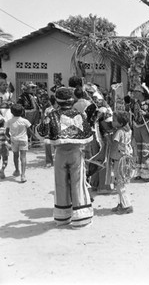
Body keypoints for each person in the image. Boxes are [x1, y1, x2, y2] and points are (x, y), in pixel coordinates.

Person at [36, 87, 94, 228]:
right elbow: (87, 133)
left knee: (61, 183)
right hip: (75, 152)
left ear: (57, 100)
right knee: (77, 183)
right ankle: (81, 217)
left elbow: (41, 132)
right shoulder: (79, 114)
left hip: (60, 153)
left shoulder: (52, 114)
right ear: (71, 99)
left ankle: (63, 216)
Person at [109, 111, 134, 215]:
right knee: (121, 182)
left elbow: (115, 144)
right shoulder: (128, 130)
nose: (112, 122)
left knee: (119, 184)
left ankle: (126, 205)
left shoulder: (119, 132)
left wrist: (110, 154)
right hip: (126, 158)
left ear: (120, 123)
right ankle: (121, 203)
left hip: (119, 159)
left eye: (114, 120)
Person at [131, 84, 149, 181]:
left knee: (145, 149)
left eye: (136, 92)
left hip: (146, 127)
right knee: (138, 149)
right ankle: (138, 172)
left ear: (141, 93)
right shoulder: (134, 103)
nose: (134, 94)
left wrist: (146, 113)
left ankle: (146, 174)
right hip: (137, 126)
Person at [6, 104, 34, 183]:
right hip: (23, 140)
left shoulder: (9, 121)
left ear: (11, 112)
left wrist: (9, 139)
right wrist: (35, 137)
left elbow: (7, 133)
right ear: (22, 112)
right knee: (23, 157)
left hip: (14, 140)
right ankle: (23, 175)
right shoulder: (25, 121)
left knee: (15, 156)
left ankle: (17, 170)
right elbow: (30, 131)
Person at [43, 95, 57, 168]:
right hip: (52, 129)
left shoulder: (48, 109)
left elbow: (45, 120)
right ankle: (50, 161)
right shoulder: (50, 110)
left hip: (51, 129)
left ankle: (49, 161)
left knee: (50, 145)